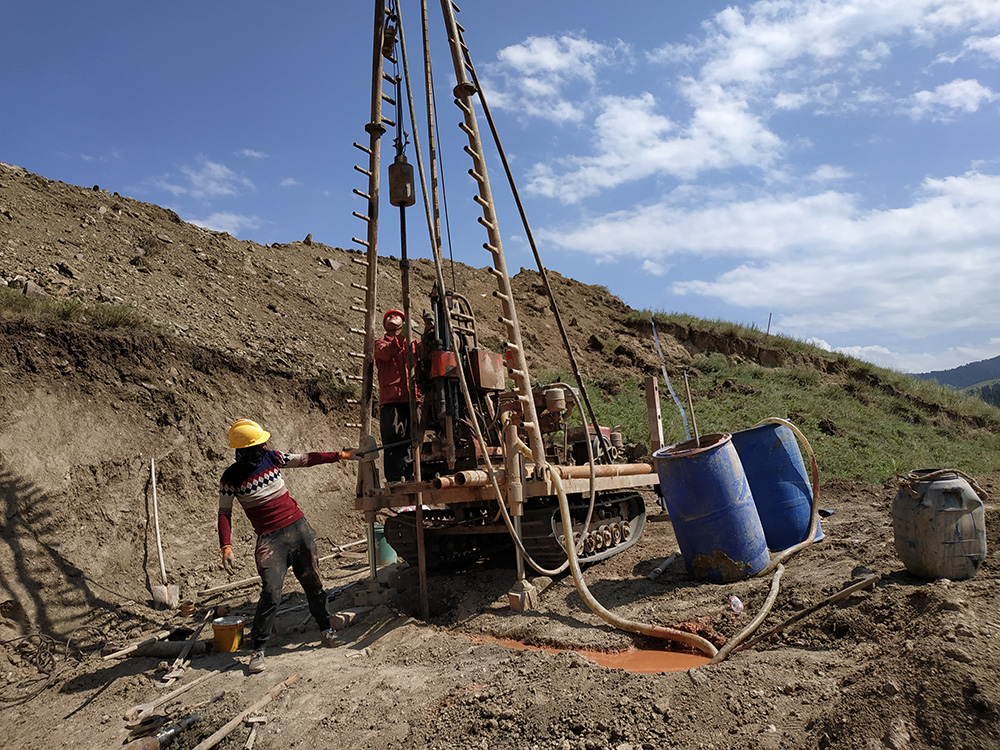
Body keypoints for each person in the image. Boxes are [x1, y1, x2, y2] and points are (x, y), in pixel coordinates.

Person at [218, 419, 356, 674]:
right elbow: (224, 514)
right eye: (259, 444)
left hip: (299, 530)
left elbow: (306, 459)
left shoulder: (272, 458)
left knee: (313, 583)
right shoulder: (231, 478)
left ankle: (326, 630)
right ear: (245, 450)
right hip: (271, 541)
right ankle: (258, 650)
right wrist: (226, 545)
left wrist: (339, 455)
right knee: (271, 592)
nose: (264, 447)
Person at [374, 309, 419, 482]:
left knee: (412, 438)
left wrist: (431, 329)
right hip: (391, 400)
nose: (392, 316)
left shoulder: (412, 344)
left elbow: (427, 352)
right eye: (389, 316)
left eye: (396, 315)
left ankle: (411, 475)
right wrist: (401, 337)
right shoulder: (380, 343)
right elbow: (387, 352)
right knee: (394, 439)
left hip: (411, 398)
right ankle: (394, 479)